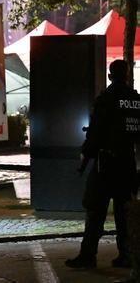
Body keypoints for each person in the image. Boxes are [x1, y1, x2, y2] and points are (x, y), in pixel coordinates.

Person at [66, 60, 140, 269]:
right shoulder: (136, 100)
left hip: (105, 165)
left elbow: (96, 134)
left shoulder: (105, 99)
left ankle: (88, 256)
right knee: (124, 212)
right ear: (127, 75)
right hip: (127, 164)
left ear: (110, 76)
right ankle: (126, 255)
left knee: (95, 210)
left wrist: (85, 157)